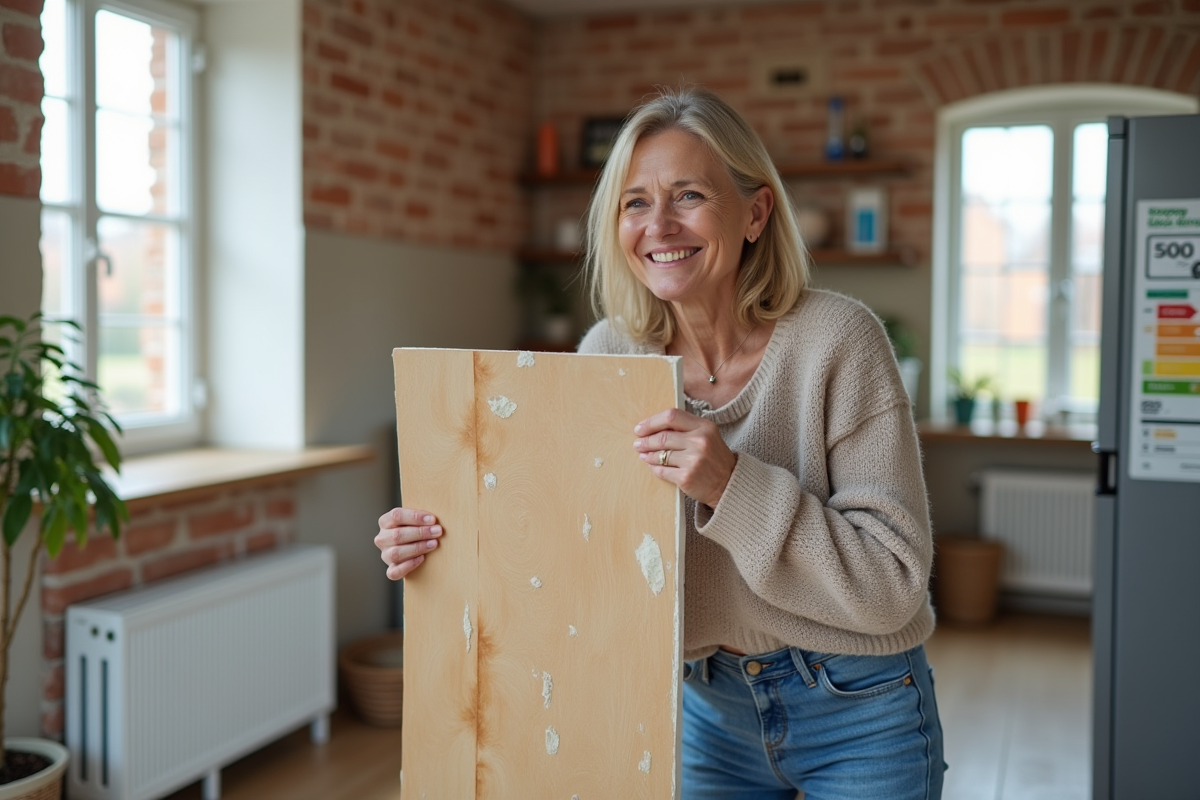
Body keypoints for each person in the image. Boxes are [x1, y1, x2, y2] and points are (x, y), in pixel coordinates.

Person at [376, 87, 944, 800]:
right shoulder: (610, 354)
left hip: (859, 705)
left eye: (689, 195)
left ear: (756, 213)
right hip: (701, 707)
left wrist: (731, 484)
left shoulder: (839, 341)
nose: (659, 224)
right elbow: (567, 556)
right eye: (635, 202)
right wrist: (444, 543)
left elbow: (893, 586)